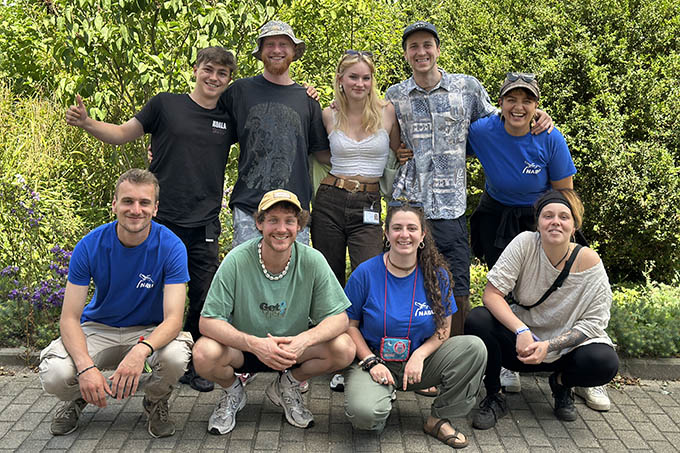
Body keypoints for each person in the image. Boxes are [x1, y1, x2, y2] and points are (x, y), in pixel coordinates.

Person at [65, 47, 237, 392]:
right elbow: (122, 133)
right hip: (157, 219)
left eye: (222, 73)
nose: (214, 78)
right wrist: (86, 123)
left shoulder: (228, 117)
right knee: (156, 292)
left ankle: (193, 366)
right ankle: (146, 355)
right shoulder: (165, 105)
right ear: (195, 69)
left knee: (203, 294)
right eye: (208, 69)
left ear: (228, 80)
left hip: (203, 221)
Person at [386, 21, 553, 337]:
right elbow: (380, 132)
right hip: (408, 204)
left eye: (427, 45)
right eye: (413, 47)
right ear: (406, 54)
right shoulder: (395, 95)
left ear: (437, 49)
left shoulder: (467, 88)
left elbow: (503, 123)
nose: (421, 52)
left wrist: (537, 115)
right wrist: (397, 148)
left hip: (451, 208)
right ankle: (405, 352)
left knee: (456, 286)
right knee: (403, 281)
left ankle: (456, 358)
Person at [39, 169, 193, 438]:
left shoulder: (171, 246)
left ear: (155, 208)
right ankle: (79, 396)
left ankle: (155, 400)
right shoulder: (89, 246)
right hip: (99, 327)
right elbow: (69, 318)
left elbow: (173, 320)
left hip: (149, 330)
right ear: (114, 205)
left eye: (144, 203)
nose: (136, 210)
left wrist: (140, 352)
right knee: (55, 374)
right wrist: (86, 368)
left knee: (176, 357)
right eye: (127, 201)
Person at [191, 189, 355, 435]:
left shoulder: (312, 260)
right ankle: (233, 392)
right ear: (259, 223)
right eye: (273, 220)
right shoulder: (236, 260)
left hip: (293, 350)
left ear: (299, 226)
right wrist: (254, 344)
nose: (281, 229)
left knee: (345, 348)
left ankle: (288, 385)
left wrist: (303, 341)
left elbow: (340, 318)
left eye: (289, 221)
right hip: (245, 349)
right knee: (204, 353)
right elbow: (208, 322)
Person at [464, 189, 619, 429]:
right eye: (548, 216)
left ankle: (561, 384)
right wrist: (521, 331)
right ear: (538, 223)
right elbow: (492, 294)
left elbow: (594, 323)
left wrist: (549, 345)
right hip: (521, 346)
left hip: (565, 350)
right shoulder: (525, 243)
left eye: (563, 217)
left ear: (574, 226)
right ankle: (495, 395)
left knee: (604, 361)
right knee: (478, 319)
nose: (555, 222)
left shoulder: (590, 262)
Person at [342, 201, 487, 448]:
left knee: (474, 348)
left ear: (423, 235)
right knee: (366, 417)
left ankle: (439, 419)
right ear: (386, 233)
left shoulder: (436, 274)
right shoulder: (365, 273)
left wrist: (420, 355)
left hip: (420, 364)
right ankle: (381, 397)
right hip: (375, 362)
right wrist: (370, 360)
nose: (404, 235)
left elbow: (444, 330)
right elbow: (349, 325)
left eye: (412, 228)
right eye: (397, 228)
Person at [219, 21, 329, 248]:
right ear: (260, 52)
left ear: (293, 52)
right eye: (270, 44)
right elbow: (209, 128)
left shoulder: (308, 100)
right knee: (246, 280)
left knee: (294, 281)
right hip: (250, 207)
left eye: (283, 44)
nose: (276, 50)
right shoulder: (239, 91)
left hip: (294, 212)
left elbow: (324, 154)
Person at [311, 50, 400, 286]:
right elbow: (320, 154)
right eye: (353, 77)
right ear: (340, 79)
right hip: (330, 199)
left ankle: (362, 324)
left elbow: (398, 151)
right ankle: (332, 324)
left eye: (366, 78)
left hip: (368, 201)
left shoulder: (387, 112)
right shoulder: (329, 114)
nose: (360, 84)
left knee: (370, 274)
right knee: (328, 277)